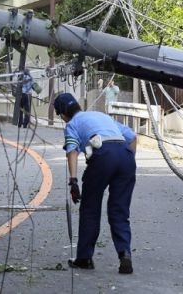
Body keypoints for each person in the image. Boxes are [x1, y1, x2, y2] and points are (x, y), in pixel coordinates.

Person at [53, 92, 137, 275]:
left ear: (63, 114)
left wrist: (73, 181)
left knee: (90, 208)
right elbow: (132, 137)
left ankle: (84, 258)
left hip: (103, 156)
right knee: (119, 210)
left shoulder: (72, 125)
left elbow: (72, 150)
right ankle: (125, 254)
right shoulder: (100, 115)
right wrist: (128, 160)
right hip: (126, 156)